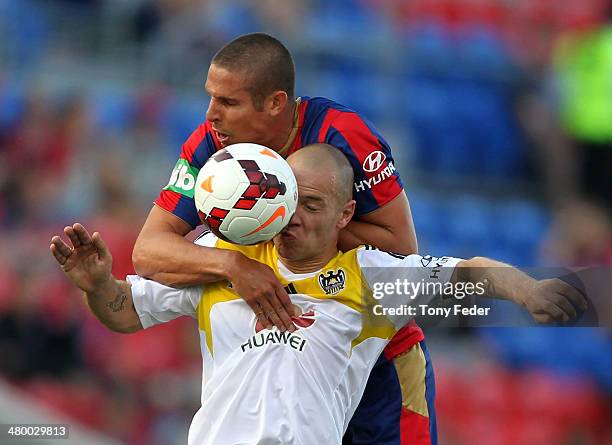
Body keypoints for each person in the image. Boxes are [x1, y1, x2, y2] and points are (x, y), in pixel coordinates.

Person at [52, 145, 586, 445]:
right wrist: (98, 284)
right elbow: (124, 312)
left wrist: (529, 288)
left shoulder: (370, 277)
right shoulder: (223, 258)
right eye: (286, 198)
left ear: (345, 215)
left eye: (312, 204)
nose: (292, 215)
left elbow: (470, 273)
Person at [132, 32, 434, 444]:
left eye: (228, 102)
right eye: (211, 98)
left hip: (378, 361)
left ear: (275, 103)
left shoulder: (342, 135)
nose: (211, 115)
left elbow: (402, 251)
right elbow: (148, 252)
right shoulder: (209, 146)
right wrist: (234, 264)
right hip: (295, 364)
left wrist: (287, 215)